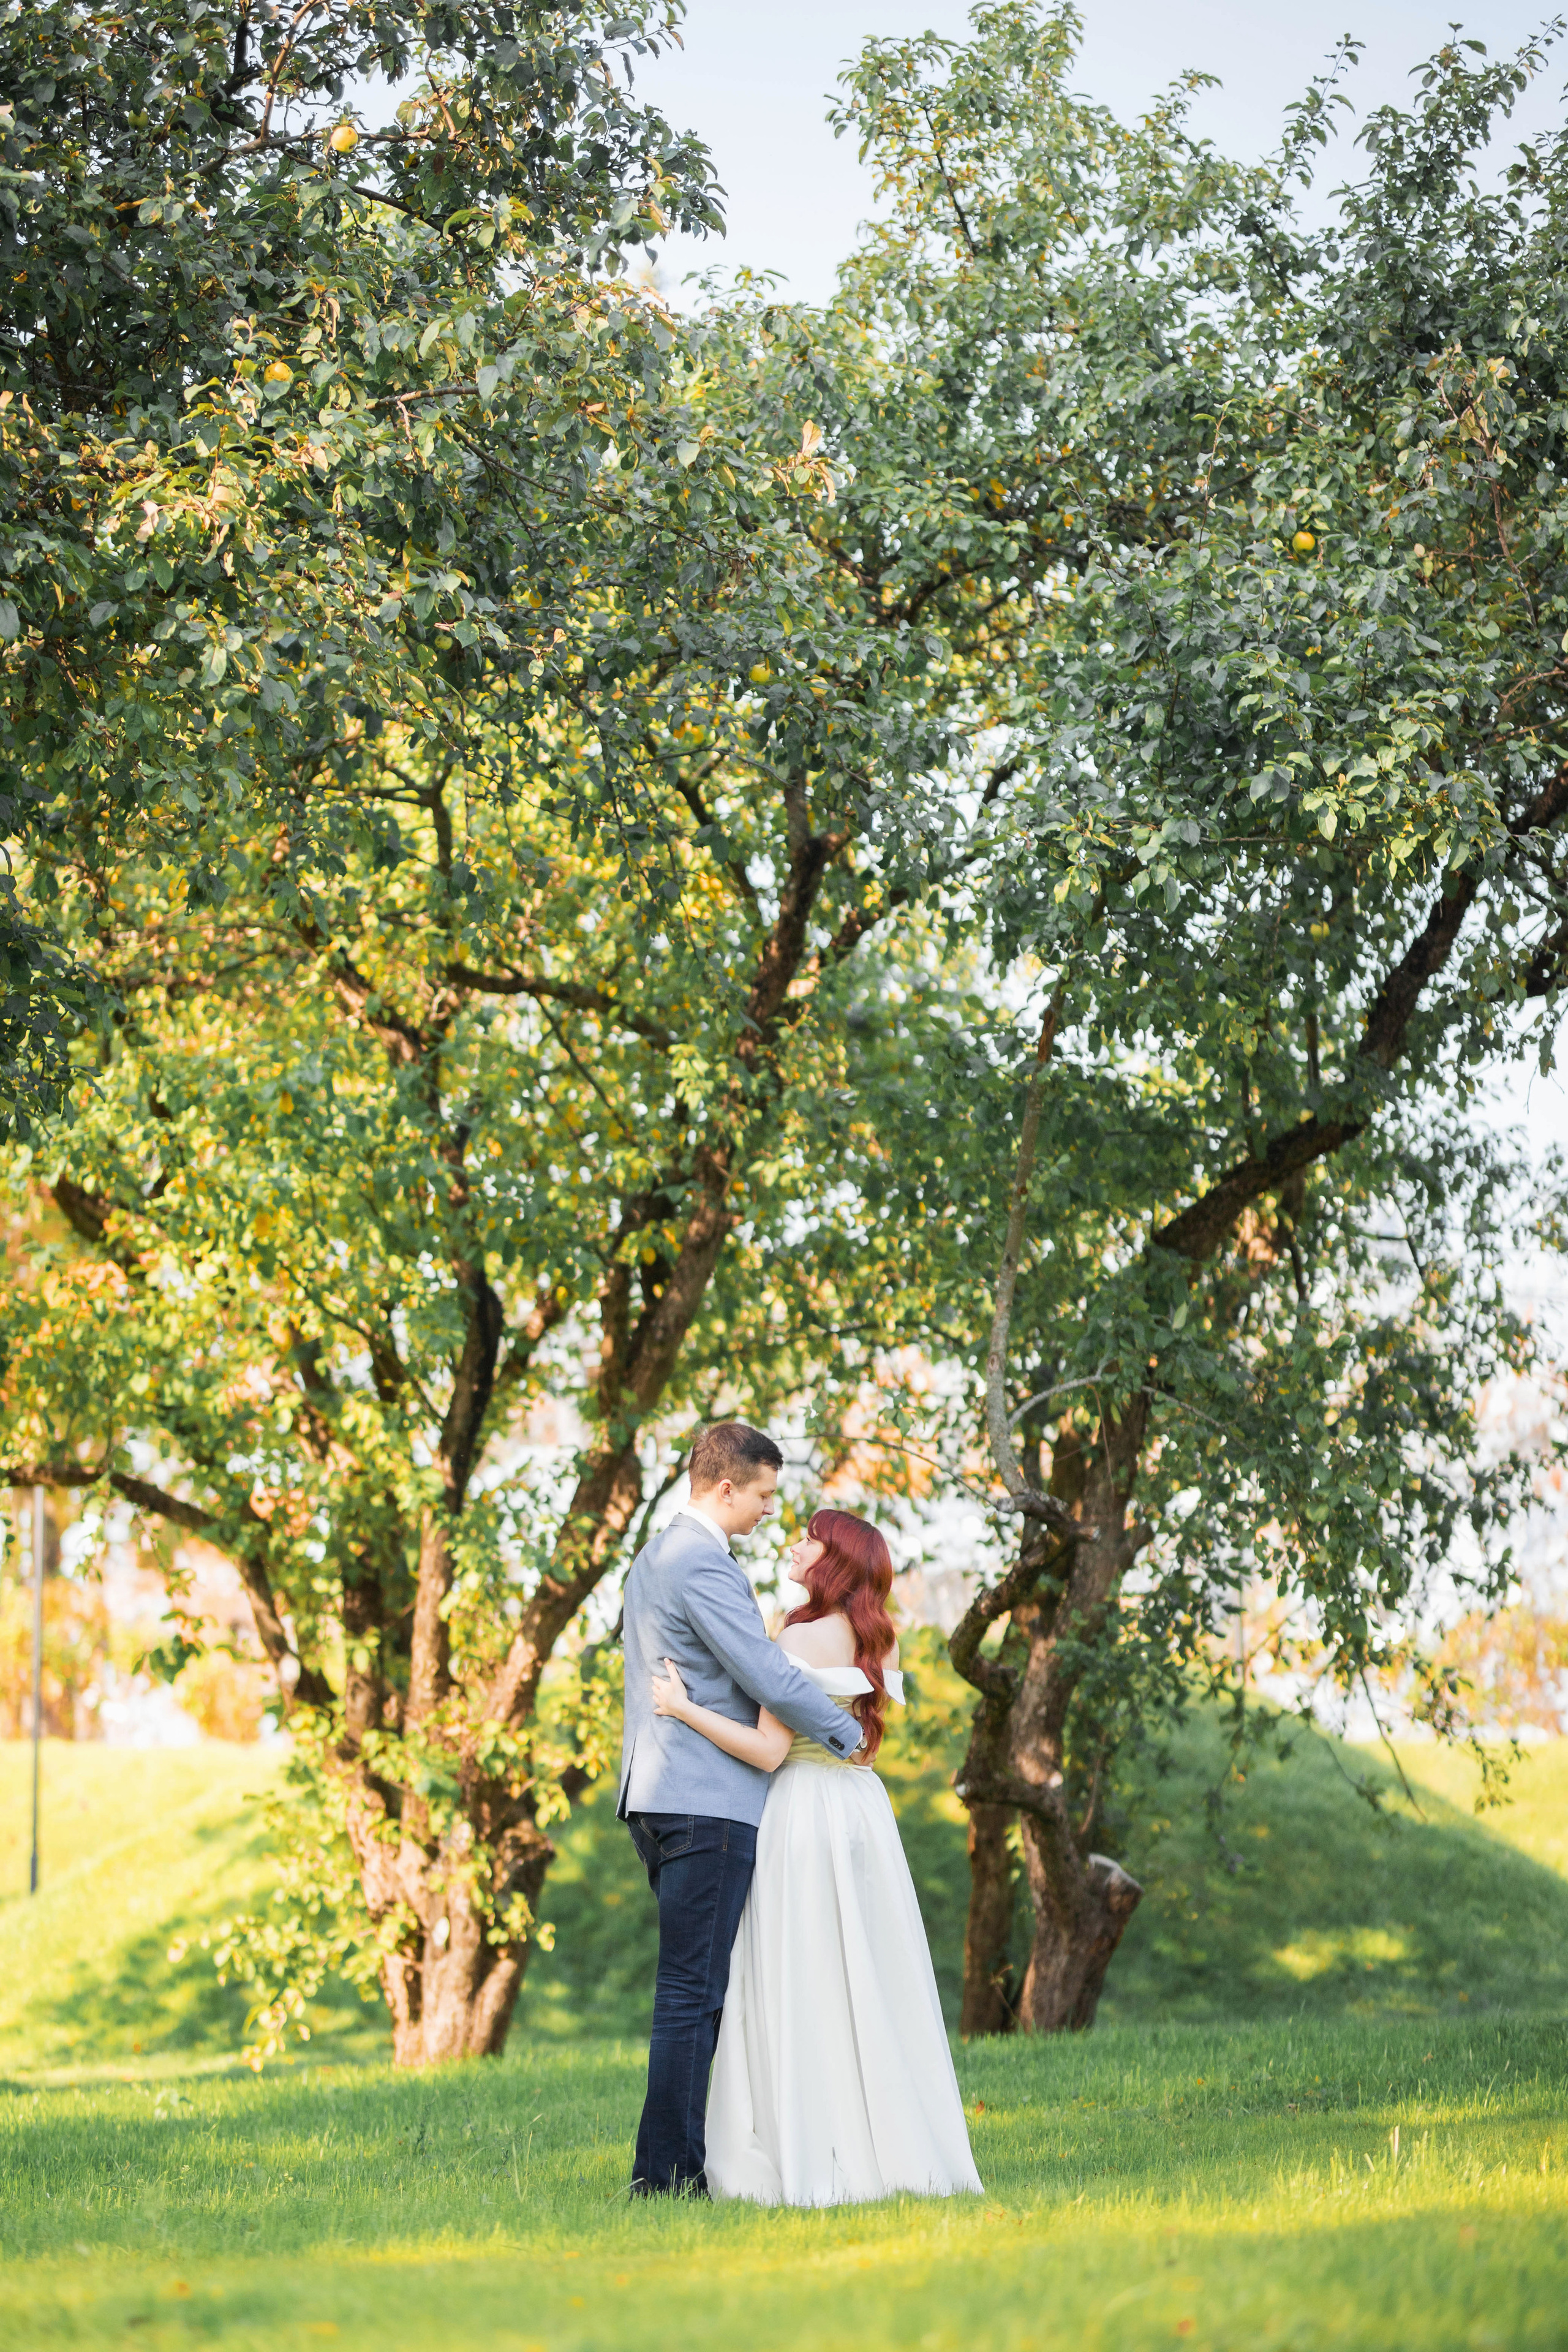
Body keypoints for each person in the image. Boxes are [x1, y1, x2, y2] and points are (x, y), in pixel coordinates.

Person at [650, 1506, 983, 2207]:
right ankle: (890, 2146)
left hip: (800, 1812)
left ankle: (802, 2149)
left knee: (797, 1974)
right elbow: (863, 1745)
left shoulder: (795, 1635)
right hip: (862, 1810)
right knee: (867, 1975)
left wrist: (682, 1709)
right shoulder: (881, 1638)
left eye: (808, 1539)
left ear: (832, 1559)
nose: (795, 1545)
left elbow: (770, 1751)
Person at [617, 1421, 867, 2198]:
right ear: (725, 1487)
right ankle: (666, 2179)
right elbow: (763, 1669)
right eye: (761, 1495)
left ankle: (669, 2170)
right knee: (693, 1997)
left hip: (663, 1796)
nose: (767, 1511)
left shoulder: (656, 1556)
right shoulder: (700, 1562)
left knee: (689, 1994)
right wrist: (844, 1729)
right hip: (705, 1804)